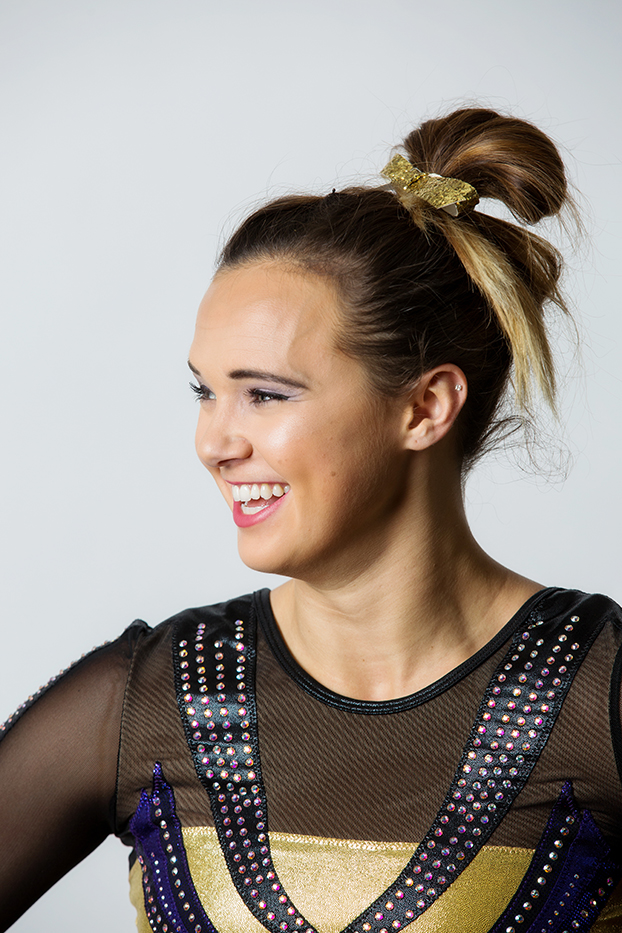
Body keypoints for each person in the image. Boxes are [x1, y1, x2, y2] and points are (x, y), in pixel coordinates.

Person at [1, 107, 621, 933]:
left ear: (426, 407)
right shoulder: (149, 698)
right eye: (206, 391)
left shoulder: (597, 694)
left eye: (265, 393)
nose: (214, 442)